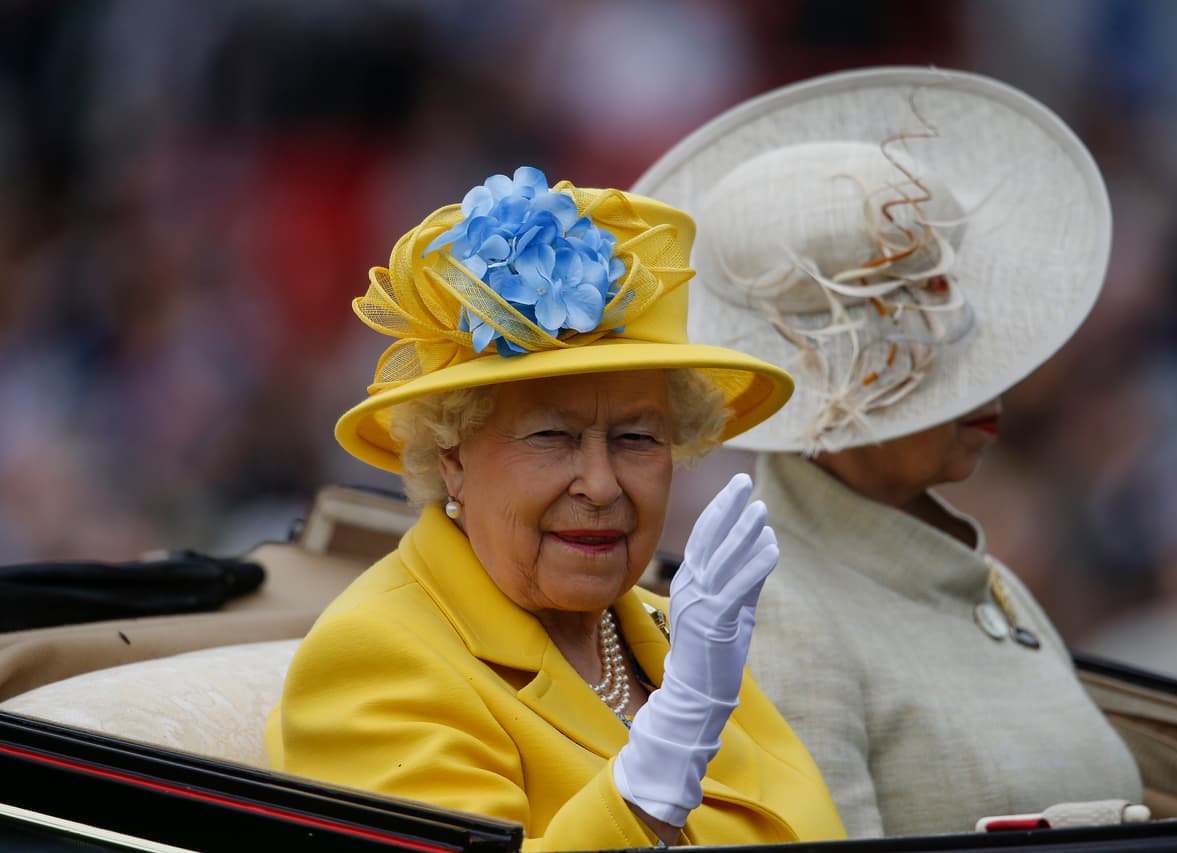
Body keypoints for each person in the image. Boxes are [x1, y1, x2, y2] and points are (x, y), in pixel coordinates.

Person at [265, 167, 847, 850]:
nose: (600, 485)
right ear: (451, 456)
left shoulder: (676, 637)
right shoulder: (374, 658)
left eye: (636, 437)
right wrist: (672, 742)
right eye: (551, 436)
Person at [632, 67, 1145, 837]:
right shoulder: (777, 614)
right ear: (835, 382)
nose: (985, 372)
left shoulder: (981, 579)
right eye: (923, 341)